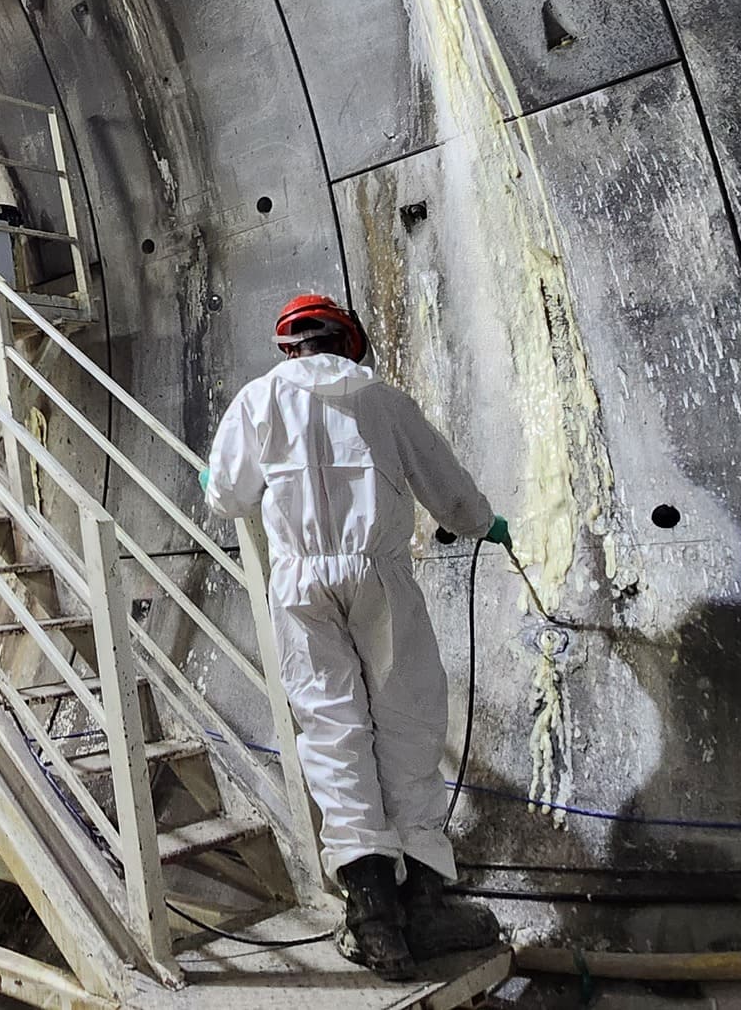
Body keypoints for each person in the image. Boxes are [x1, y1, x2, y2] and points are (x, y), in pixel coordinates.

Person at [202, 294, 507, 979]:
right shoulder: (383, 399)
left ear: (291, 347)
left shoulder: (258, 400)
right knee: (407, 724)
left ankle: (373, 919)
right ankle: (425, 899)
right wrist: (487, 524)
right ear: (348, 342)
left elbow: (227, 493)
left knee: (333, 730)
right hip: (381, 577)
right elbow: (449, 491)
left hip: (300, 583)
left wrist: (214, 482)